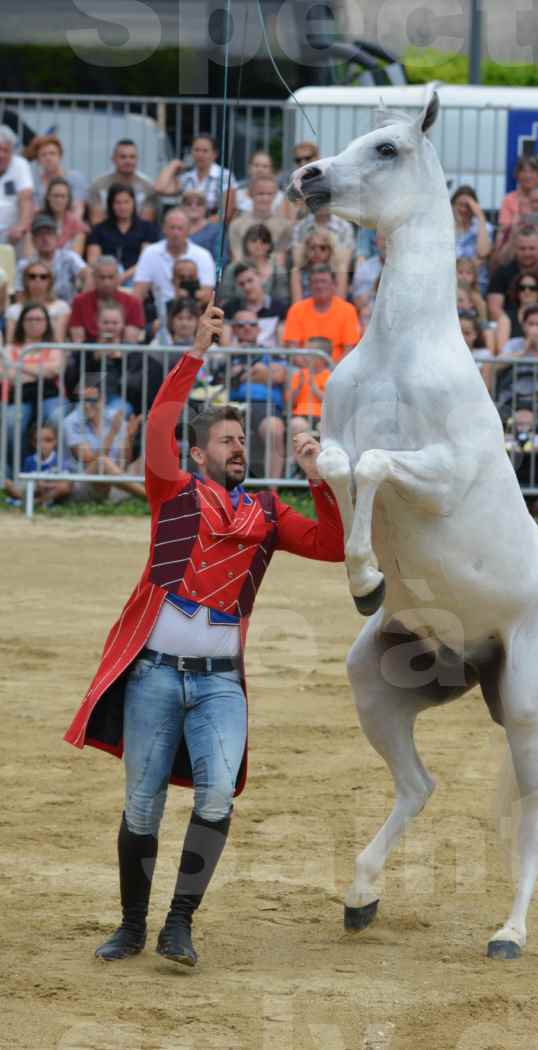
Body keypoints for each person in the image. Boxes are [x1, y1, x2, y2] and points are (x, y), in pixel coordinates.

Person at [63, 296, 344, 968]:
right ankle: (132, 926)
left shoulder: (270, 512)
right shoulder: (173, 489)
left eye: (243, 440)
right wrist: (196, 350)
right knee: (142, 805)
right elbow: (160, 420)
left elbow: (334, 545)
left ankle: (177, 923)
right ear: (197, 452)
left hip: (220, 686)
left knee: (217, 796)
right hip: (156, 673)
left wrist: (321, 479)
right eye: (227, 439)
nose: (239, 445)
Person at [224, 309, 287, 479]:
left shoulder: (273, 352)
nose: (247, 328)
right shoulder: (226, 354)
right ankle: (223, 488)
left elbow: (279, 375)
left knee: (274, 428)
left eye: (252, 324)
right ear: (234, 330)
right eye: (241, 325)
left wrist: (242, 374)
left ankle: (272, 490)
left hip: (264, 405)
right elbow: (223, 379)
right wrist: (260, 373)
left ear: (259, 329)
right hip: (232, 405)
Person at [1, 302, 64, 474]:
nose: (34, 323)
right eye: (29, 319)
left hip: (49, 395)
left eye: (39, 319)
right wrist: (40, 371)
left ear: (46, 322)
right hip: (18, 395)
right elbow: (7, 375)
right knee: (11, 423)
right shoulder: (10, 348)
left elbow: (55, 370)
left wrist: (19, 365)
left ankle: (55, 471)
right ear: (22, 322)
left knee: (57, 418)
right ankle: (21, 472)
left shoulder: (54, 346)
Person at [62, 380, 145, 501]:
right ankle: (151, 499)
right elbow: (90, 461)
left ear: (103, 400)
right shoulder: (71, 422)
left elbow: (124, 462)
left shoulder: (115, 418)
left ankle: (174, 497)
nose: (86, 405)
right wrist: (112, 433)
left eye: (92, 401)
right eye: (83, 400)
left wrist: (129, 437)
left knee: (147, 460)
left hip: (115, 484)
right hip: (84, 485)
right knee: (102, 463)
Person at [132, 208, 215, 308]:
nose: (176, 233)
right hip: (159, 313)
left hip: (193, 312)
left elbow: (207, 295)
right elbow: (138, 293)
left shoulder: (203, 255)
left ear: (188, 230)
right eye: (172, 228)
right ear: (164, 229)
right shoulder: (150, 252)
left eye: (180, 228)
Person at [284, 265, 360, 364]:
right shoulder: (296, 310)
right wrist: (312, 370)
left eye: (323, 281)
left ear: (334, 285)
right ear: (310, 286)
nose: (319, 286)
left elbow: (349, 350)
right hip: (303, 369)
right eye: (315, 282)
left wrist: (331, 371)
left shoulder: (348, 310)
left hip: (336, 370)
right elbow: (292, 349)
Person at [86, 184, 160, 283]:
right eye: (118, 203)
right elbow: (93, 261)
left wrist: (123, 277)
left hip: (136, 276)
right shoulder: (99, 229)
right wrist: (109, 276)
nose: (122, 207)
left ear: (133, 203)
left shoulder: (147, 228)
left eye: (126, 202)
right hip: (106, 277)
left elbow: (145, 261)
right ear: (111, 205)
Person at [487, 227, 538, 321]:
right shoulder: (501, 274)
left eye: (532, 248)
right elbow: (494, 309)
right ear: (515, 250)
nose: (527, 253)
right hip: (508, 327)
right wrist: (510, 327)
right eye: (522, 249)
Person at [154, 133, 236, 220]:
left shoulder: (225, 175)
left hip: (212, 226)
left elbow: (227, 213)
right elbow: (159, 188)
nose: (200, 155)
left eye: (205, 151)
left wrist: (202, 226)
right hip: (186, 226)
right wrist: (174, 164)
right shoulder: (186, 177)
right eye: (196, 150)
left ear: (215, 154)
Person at [69, 256, 145, 344]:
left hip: (122, 354)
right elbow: (78, 342)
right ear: (93, 277)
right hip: (89, 354)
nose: (106, 283)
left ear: (118, 277)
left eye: (111, 277)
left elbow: (130, 342)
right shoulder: (80, 301)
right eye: (102, 277)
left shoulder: (133, 302)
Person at [493, 183, 538, 273]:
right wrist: (513, 235)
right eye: (535, 201)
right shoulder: (516, 226)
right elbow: (503, 262)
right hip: (517, 274)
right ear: (529, 203)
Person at [16, 214, 89, 304]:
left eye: (49, 233)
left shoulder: (70, 258)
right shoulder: (24, 265)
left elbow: (89, 276)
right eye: (40, 234)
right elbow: (19, 297)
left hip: (68, 310)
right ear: (33, 240)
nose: (45, 238)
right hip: (36, 312)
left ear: (57, 237)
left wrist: (80, 304)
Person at [3, 421, 74, 508]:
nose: (43, 445)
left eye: (48, 440)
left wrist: (45, 485)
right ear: (33, 443)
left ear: (55, 441)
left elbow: (65, 482)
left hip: (50, 491)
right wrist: (36, 484)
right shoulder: (29, 460)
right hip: (34, 489)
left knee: (64, 487)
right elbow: (25, 481)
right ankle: (28, 502)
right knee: (7, 483)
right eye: (38, 441)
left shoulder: (59, 460)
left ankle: (36, 503)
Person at [88, 139, 159, 225]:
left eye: (132, 157)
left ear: (137, 159)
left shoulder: (148, 186)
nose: (128, 161)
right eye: (123, 157)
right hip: (105, 234)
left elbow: (147, 223)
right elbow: (96, 221)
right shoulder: (98, 185)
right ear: (113, 159)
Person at [227, 175, 292, 265]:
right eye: (260, 193)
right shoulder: (236, 225)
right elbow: (237, 260)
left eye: (269, 194)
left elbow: (279, 262)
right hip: (244, 274)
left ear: (275, 195)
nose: (265, 198)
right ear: (250, 194)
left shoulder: (284, 226)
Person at [4, 258, 70, 343]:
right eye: (32, 276)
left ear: (50, 281)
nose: (37, 280)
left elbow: (58, 341)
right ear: (25, 281)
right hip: (21, 354)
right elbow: (11, 342)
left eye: (43, 277)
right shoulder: (13, 310)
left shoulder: (61, 307)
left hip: (51, 353)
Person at [495, 269, 538, 351]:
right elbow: (502, 351)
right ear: (517, 291)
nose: (527, 291)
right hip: (515, 363)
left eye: (532, 288)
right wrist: (524, 349)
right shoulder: (506, 318)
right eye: (522, 288)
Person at [24, 134, 87, 220]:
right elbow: (34, 212)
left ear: (60, 156)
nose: (48, 158)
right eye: (43, 155)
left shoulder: (75, 177)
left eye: (52, 153)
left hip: (71, 226)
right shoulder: (33, 183)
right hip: (43, 226)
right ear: (38, 160)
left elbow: (78, 209)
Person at [223, 263, 287, 348]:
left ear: (261, 278)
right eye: (241, 284)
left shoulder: (279, 308)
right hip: (238, 358)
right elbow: (225, 345)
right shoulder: (229, 309)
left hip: (269, 359)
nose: (247, 287)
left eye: (250, 280)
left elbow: (282, 346)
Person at [286, 337, 332, 440]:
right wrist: (298, 388)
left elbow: (331, 402)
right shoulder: (299, 375)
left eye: (309, 354)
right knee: (297, 425)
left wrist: (315, 389)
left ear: (322, 357)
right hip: (301, 414)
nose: (305, 357)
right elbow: (289, 402)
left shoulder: (331, 376)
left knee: (325, 428)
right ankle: (296, 456)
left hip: (323, 416)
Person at [451, 185, 492, 291]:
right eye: (460, 205)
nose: (464, 209)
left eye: (468, 206)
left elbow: (483, 253)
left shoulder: (484, 227)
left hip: (477, 285)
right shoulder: (444, 228)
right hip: (450, 283)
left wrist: (481, 217)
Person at [0, 124, 34, 251]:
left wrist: (22, 225)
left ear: (12, 151)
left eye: (6, 150)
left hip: (12, 237)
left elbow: (26, 198)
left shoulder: (20, 165)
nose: (1, 155)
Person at [291, 227, 344, 304]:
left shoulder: (337, 271)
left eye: (322, 248)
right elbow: (297, 306)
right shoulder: (298, 272)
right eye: (312, 248)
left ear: (330, 251)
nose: (317, 252)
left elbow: (340, 305)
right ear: (306, 250)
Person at [241, 223, 290, 307]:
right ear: (246, 243)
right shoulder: (233, 269)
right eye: (254, 240)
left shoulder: (279, 271)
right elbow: (225, 300)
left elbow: (283, 302)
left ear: (270, 245)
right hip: (238, 317)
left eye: (264, 240)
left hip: (272, 316)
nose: (258, 244)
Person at [37, 177, 88, 255]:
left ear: (68, 199)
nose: (59, 200)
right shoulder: (36, 221)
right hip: (39, 265)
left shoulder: (77, 225)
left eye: (63, 196)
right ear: (48, 197)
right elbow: (29, 256)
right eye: (55, 196)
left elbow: (75, 257)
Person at [180, 189, 229, 264]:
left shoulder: (216, 230)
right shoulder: (174, 227)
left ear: (205, 207)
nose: (194, 207)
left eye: (199, 204)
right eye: (188, 204)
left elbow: (221, 260)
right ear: (182, 207)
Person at [498, 154, 538, 229]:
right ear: (516, 174)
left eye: (532, 171)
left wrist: (521, 219)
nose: (528, 176)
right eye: (524, 171)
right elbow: (504, 229)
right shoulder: (508, 200)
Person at [234, 150, 285, 214]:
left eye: (265, 166)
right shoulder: (237, 195)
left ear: (271, 170)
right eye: (256, 165)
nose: (260, 169)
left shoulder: (280, 197)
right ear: (249, 168)